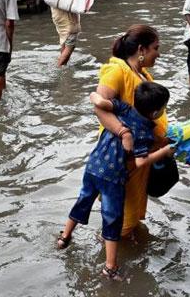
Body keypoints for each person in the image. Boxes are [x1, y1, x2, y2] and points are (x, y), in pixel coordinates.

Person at [57, 82, 174, 281]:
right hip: (113, 177)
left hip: (93, 166)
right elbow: (140, 161)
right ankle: (110, 267)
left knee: (83, 201)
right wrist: (165, 151)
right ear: (156, 113)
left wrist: (97, 98)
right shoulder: (145, 132)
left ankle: (64, 238)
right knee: (112, 219)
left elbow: (99, 101)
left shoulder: (122, 107)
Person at [86, 25, 168, 241]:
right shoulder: (117, 71)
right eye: (155, 48)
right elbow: (99, 107)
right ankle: (109, 259)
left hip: (139, 156)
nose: (158, 53)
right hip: (122, 159)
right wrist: (124, 133)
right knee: (120, 215)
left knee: (128, 212)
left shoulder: (143, 75)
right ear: (141, 49)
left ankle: (121, 242)